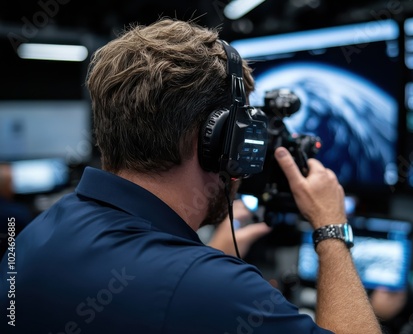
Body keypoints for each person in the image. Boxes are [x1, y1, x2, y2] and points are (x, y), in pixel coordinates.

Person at [0, 18, 381, 333]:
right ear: (217, 140)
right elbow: (183, 293)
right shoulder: (215, 289)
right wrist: (331, 227)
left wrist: (204, 259)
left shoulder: (36, 232)